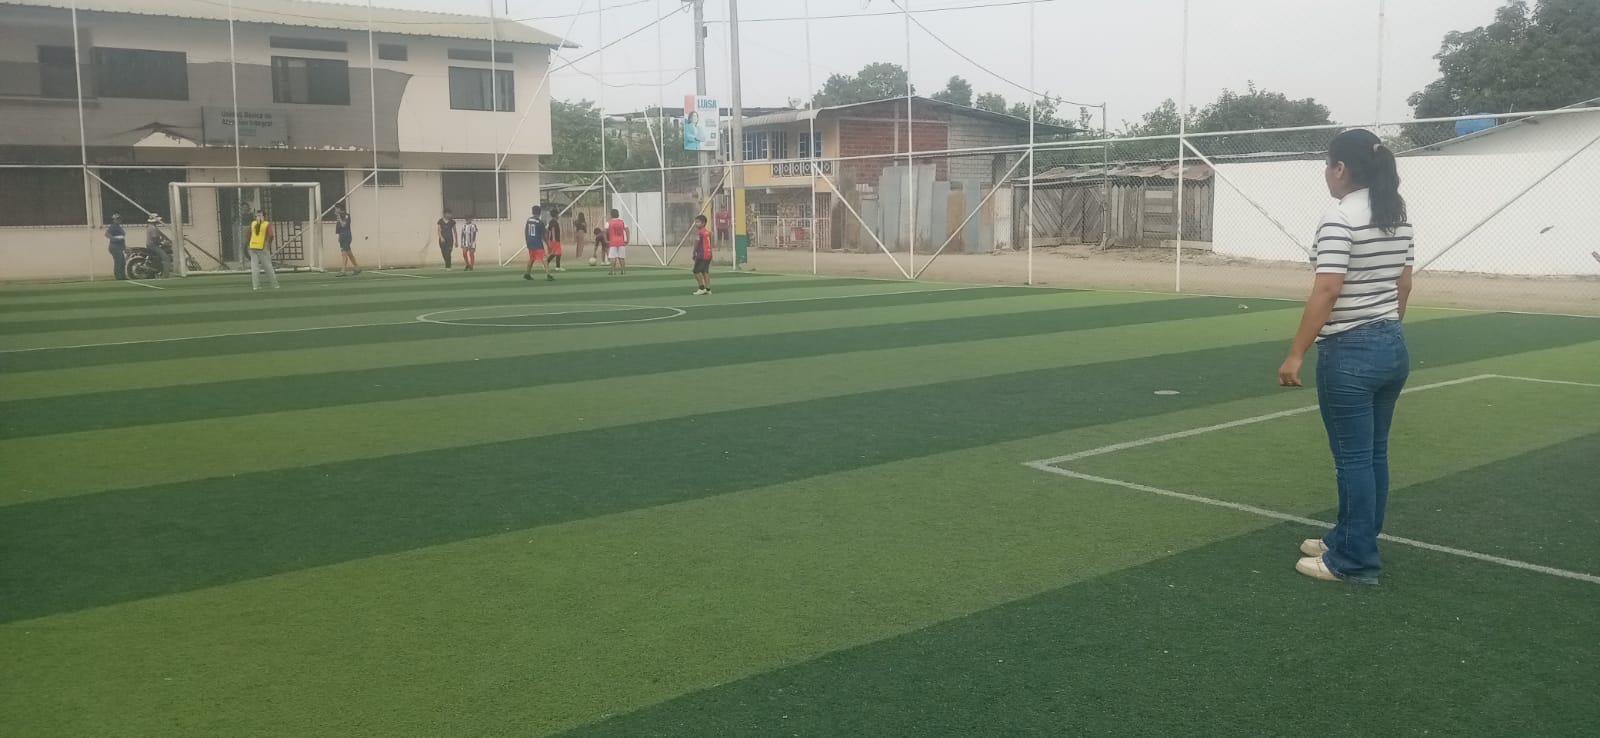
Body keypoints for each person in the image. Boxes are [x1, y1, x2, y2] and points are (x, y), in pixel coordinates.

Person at [1279, 128, 1413, 585]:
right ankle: (1353, 536)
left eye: (1327, 165)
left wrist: (1296, 353)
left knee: (1353, 458)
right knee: (1373, 454)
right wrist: (1386, 326)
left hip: (1350, 350)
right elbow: (1403, 284)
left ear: (1340, 168)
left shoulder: (1338, 217)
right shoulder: (1396, 213)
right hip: (1391, 344)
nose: (1325, 174)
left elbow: (1328, 289)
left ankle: (1354, 559)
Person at [247, 209, 280, 290]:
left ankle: (256, 286)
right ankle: (275, 284)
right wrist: (269, 243)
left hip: (252, 246)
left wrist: (249, 243)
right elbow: (271, 235)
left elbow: (248, 235)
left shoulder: (253, 223)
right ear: (264, 216)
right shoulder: (266, 224)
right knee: (268, 267)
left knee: (255, 267)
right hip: (262, 246)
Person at [523, 206, 553, 281]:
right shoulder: (540, 222)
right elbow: (544, 236)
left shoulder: (529, 220)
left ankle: (527, 274)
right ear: (539, 213)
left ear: (532, 212)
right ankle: (549, 275)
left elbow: (526, 231)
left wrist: (527, 241)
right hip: (537, 243)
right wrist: (548, 245)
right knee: (544, 258)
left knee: (532, 258)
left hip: (530, 242)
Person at [690, 214, 713, 296]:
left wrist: (694, 253)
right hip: (708, 254)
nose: (696, 224)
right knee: (705, 272)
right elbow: (710, 243)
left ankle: (701, 288)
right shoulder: (708, 232)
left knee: (696, 271)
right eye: (695, 222)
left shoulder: (700, 232)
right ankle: (708, 289)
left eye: (698, 222)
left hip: (702, 255)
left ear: (703, 223)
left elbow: (696, 244)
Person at [334, 203, 359, 276]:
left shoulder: (347, 215)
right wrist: (339, 236)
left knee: (344, 253)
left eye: (336, 208)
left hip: (346, 236)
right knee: (349, 253)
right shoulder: (339, 216)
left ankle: (343, 271)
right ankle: (357, 268)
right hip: (342, 236)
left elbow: (344, 225)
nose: (335, 210)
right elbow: (339, 227)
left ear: (339, 208)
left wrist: (339, 218)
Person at [606, 208, 629, 275]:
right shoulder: (622, 222)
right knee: (621, 257)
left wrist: (606, 240)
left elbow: (604, 231)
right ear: (618, 214)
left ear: (611, 215)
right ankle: (623, 270)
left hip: (613, 242)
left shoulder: (608, 222)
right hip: (621, 242)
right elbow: (627, 230)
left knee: (613, 257)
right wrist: (628, 239)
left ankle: (613, 271)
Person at [105, 213, 128, 280]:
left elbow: (122, 238)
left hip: (119, 247)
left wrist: (124, 247)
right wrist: (114, 239)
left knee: (122, 262)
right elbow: (107, 234)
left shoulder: (119, 227)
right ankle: (118, 276)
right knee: (118, 261)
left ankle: (122, 276)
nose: (119, 220)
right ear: (114, 220)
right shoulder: (113, 226)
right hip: (115, 247)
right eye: (117, 219)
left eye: (119, 219)